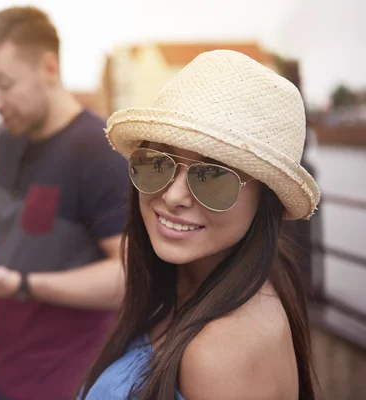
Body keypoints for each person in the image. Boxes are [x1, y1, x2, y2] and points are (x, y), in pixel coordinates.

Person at [78, 50, 320, 399]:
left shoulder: (219, 355)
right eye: (157, 162)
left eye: (214, 176)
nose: (174, 195)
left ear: (267, 199)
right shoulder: (235, 287)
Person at [0, 6, 129, 400]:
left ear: (49, 68)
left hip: (72, 380)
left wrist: (22, 285)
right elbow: (1, 233)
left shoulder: (98, 153)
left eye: (3, 83)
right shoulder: (7, 141)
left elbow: (129, 275)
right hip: (8, 373)